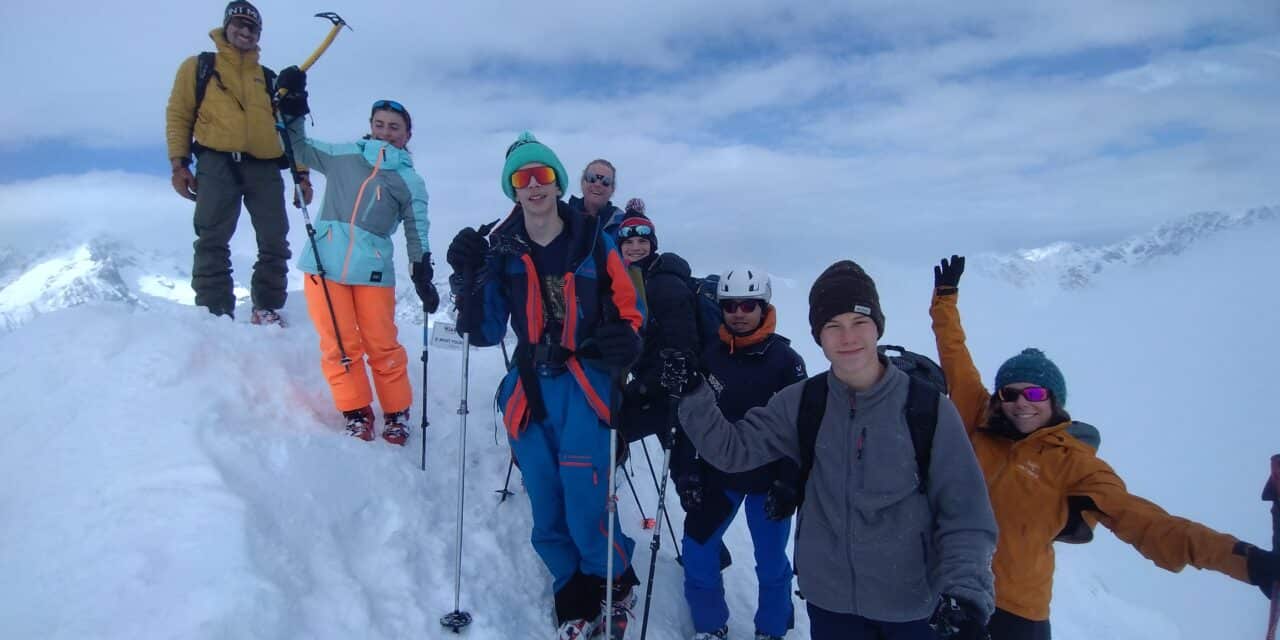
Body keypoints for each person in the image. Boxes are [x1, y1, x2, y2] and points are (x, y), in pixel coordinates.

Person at [929, 255, 1280, 640]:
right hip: (953, 592)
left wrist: (1247, 563)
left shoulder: (1074, 464)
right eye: (1010, 393)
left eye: (1034, 392)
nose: (1021, 402)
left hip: (1017, 609)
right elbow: (955, 354)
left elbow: (1148, 523)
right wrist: (945, 299)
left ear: (1054, 401)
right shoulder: (977, 419)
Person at [662, 260, 998, 640]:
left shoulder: (928, 409)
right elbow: (732, 449)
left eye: (858, 323)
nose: (847, 337)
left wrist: (966, 594)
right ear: (819, 335)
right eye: (832, 326)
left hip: (911, 608)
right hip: (832, 607)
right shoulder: (803, 402)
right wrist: (693, 394)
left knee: (769, 562)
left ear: (878, 327)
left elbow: (966, 513)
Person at [446, 132, 645, 639]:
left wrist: (627, 340)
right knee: (546, 501)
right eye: (521, 178)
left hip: (585, 386)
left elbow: (630, 309)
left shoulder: (594, 240)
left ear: (557, 182)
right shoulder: (502, 252)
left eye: (542, 175)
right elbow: (485, 330)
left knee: (587, 498)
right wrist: (465, 275)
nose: (534, 186)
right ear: (512, 189)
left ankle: (614, 582)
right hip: (530, 391)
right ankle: (573, 591)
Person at [273, 66, 437, 445]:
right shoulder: (343, 155)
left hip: (374, 270)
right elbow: (297, 147)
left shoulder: (410, 180)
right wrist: (294, 108)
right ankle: (356, 411)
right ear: (371, 126)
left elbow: (417, 228)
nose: (386, 131)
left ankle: (396, 413)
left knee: (382, 343)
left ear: (407, 134)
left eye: (395, 126)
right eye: (380, 124)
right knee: (339, 344)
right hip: (323, 264)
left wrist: (421, 269)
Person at [671, 266, 807, 640]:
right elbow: (688, 421)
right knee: (698, 551)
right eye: (731, 305)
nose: (739, 313)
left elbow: (801, 429)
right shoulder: (709, 355)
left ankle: (772, 629)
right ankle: (710, 626)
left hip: (768, 480)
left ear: (764, 307)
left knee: (771, 564)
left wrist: (788, 482)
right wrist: (686, 475)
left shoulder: (786, 361)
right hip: (719, 475)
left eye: (749, 305)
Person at [164, 1, 310, 324]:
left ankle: (267, 307)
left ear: (259, 35)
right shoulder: (199, 67)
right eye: (239, 25)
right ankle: (215, 313)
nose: (245, 31)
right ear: (226, 27)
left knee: (275, 239)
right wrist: (179, 164)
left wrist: (302, 175)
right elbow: (179, 114)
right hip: (216, 162)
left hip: (266, 166)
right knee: (212, 238)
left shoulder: (270, 80)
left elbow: (293, 131)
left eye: (252, 27)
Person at [568, 159, 625, 235]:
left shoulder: (623, 224)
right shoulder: (561, 216)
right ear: (582, 183)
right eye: (591, 178)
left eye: (606, 182)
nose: (597, 184)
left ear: (612, 189)